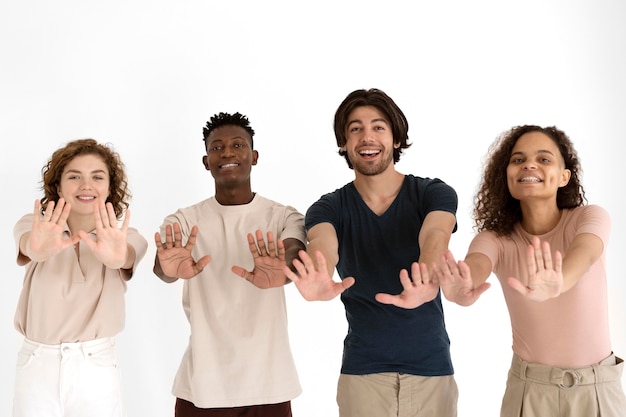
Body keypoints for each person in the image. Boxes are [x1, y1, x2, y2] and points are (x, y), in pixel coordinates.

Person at [284, 88, 460, 417]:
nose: (368, 137)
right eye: (355, 129)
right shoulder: (328, 207)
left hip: (432, 372)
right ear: (344, 143)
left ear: (395, 139)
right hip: (362, 376)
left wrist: (425, 273)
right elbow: (323, 244)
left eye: (378, 127)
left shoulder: (432, 193)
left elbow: (435, 233)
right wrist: (320, 273)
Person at [434, 125, 626, 417]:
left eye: (544, 159)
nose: (529, 165)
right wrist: (462, 286)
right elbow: (476, 265)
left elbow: (586, 252)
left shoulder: (589, 217)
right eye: (518, 159)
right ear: (507, 176)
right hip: (530, 394)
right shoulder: (495, 239)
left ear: (564, 177)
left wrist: (560, 282)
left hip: (597, 392)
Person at [153, 112, 305, 417]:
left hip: (269, 383)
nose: (227, 153)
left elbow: (294, 250)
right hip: (203, 386)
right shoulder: (185, 220)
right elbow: (164, 265)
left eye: (238, 145)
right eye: (217, 147)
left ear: (254, 156)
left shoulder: (283, 216)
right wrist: (167, 269)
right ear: (206, 161)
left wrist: (284, 267)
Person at [12, 138, 148, 417]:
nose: (86, 185)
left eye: (97, 177)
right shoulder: (36, 225)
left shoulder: (126, 237)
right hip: (37, 362)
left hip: (95, 365)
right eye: (74, 177)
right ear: (58, 186)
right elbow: (30, 244)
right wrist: (36, 247)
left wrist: (117, 257)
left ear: (109, 188)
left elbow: (127, 255)